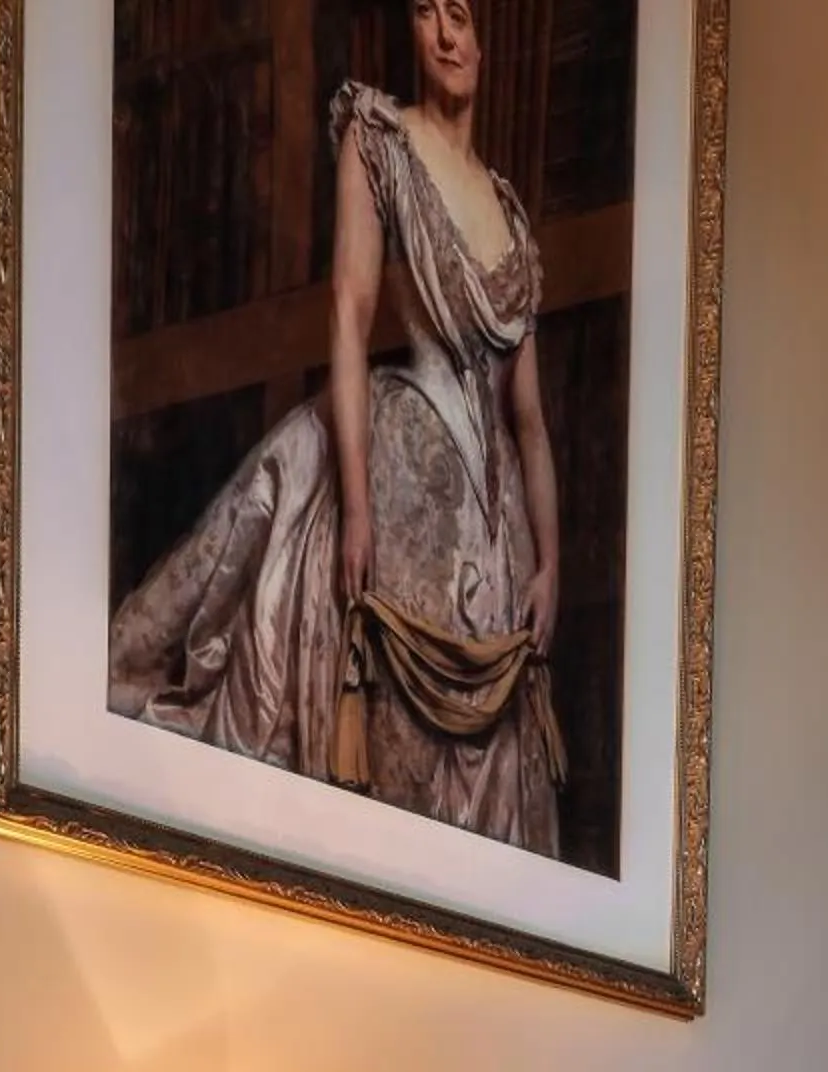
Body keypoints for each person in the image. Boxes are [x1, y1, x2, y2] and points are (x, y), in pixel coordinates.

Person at [109, 0, 563, 858]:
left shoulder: (512, 215)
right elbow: (349, 319)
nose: (444, 35)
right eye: (427, 15)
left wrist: (551, 560)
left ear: (484, 35)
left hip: (498, 543)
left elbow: (531, 422)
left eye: (461, 15)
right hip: (399, 473)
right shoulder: (378, 137)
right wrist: (356, 505)